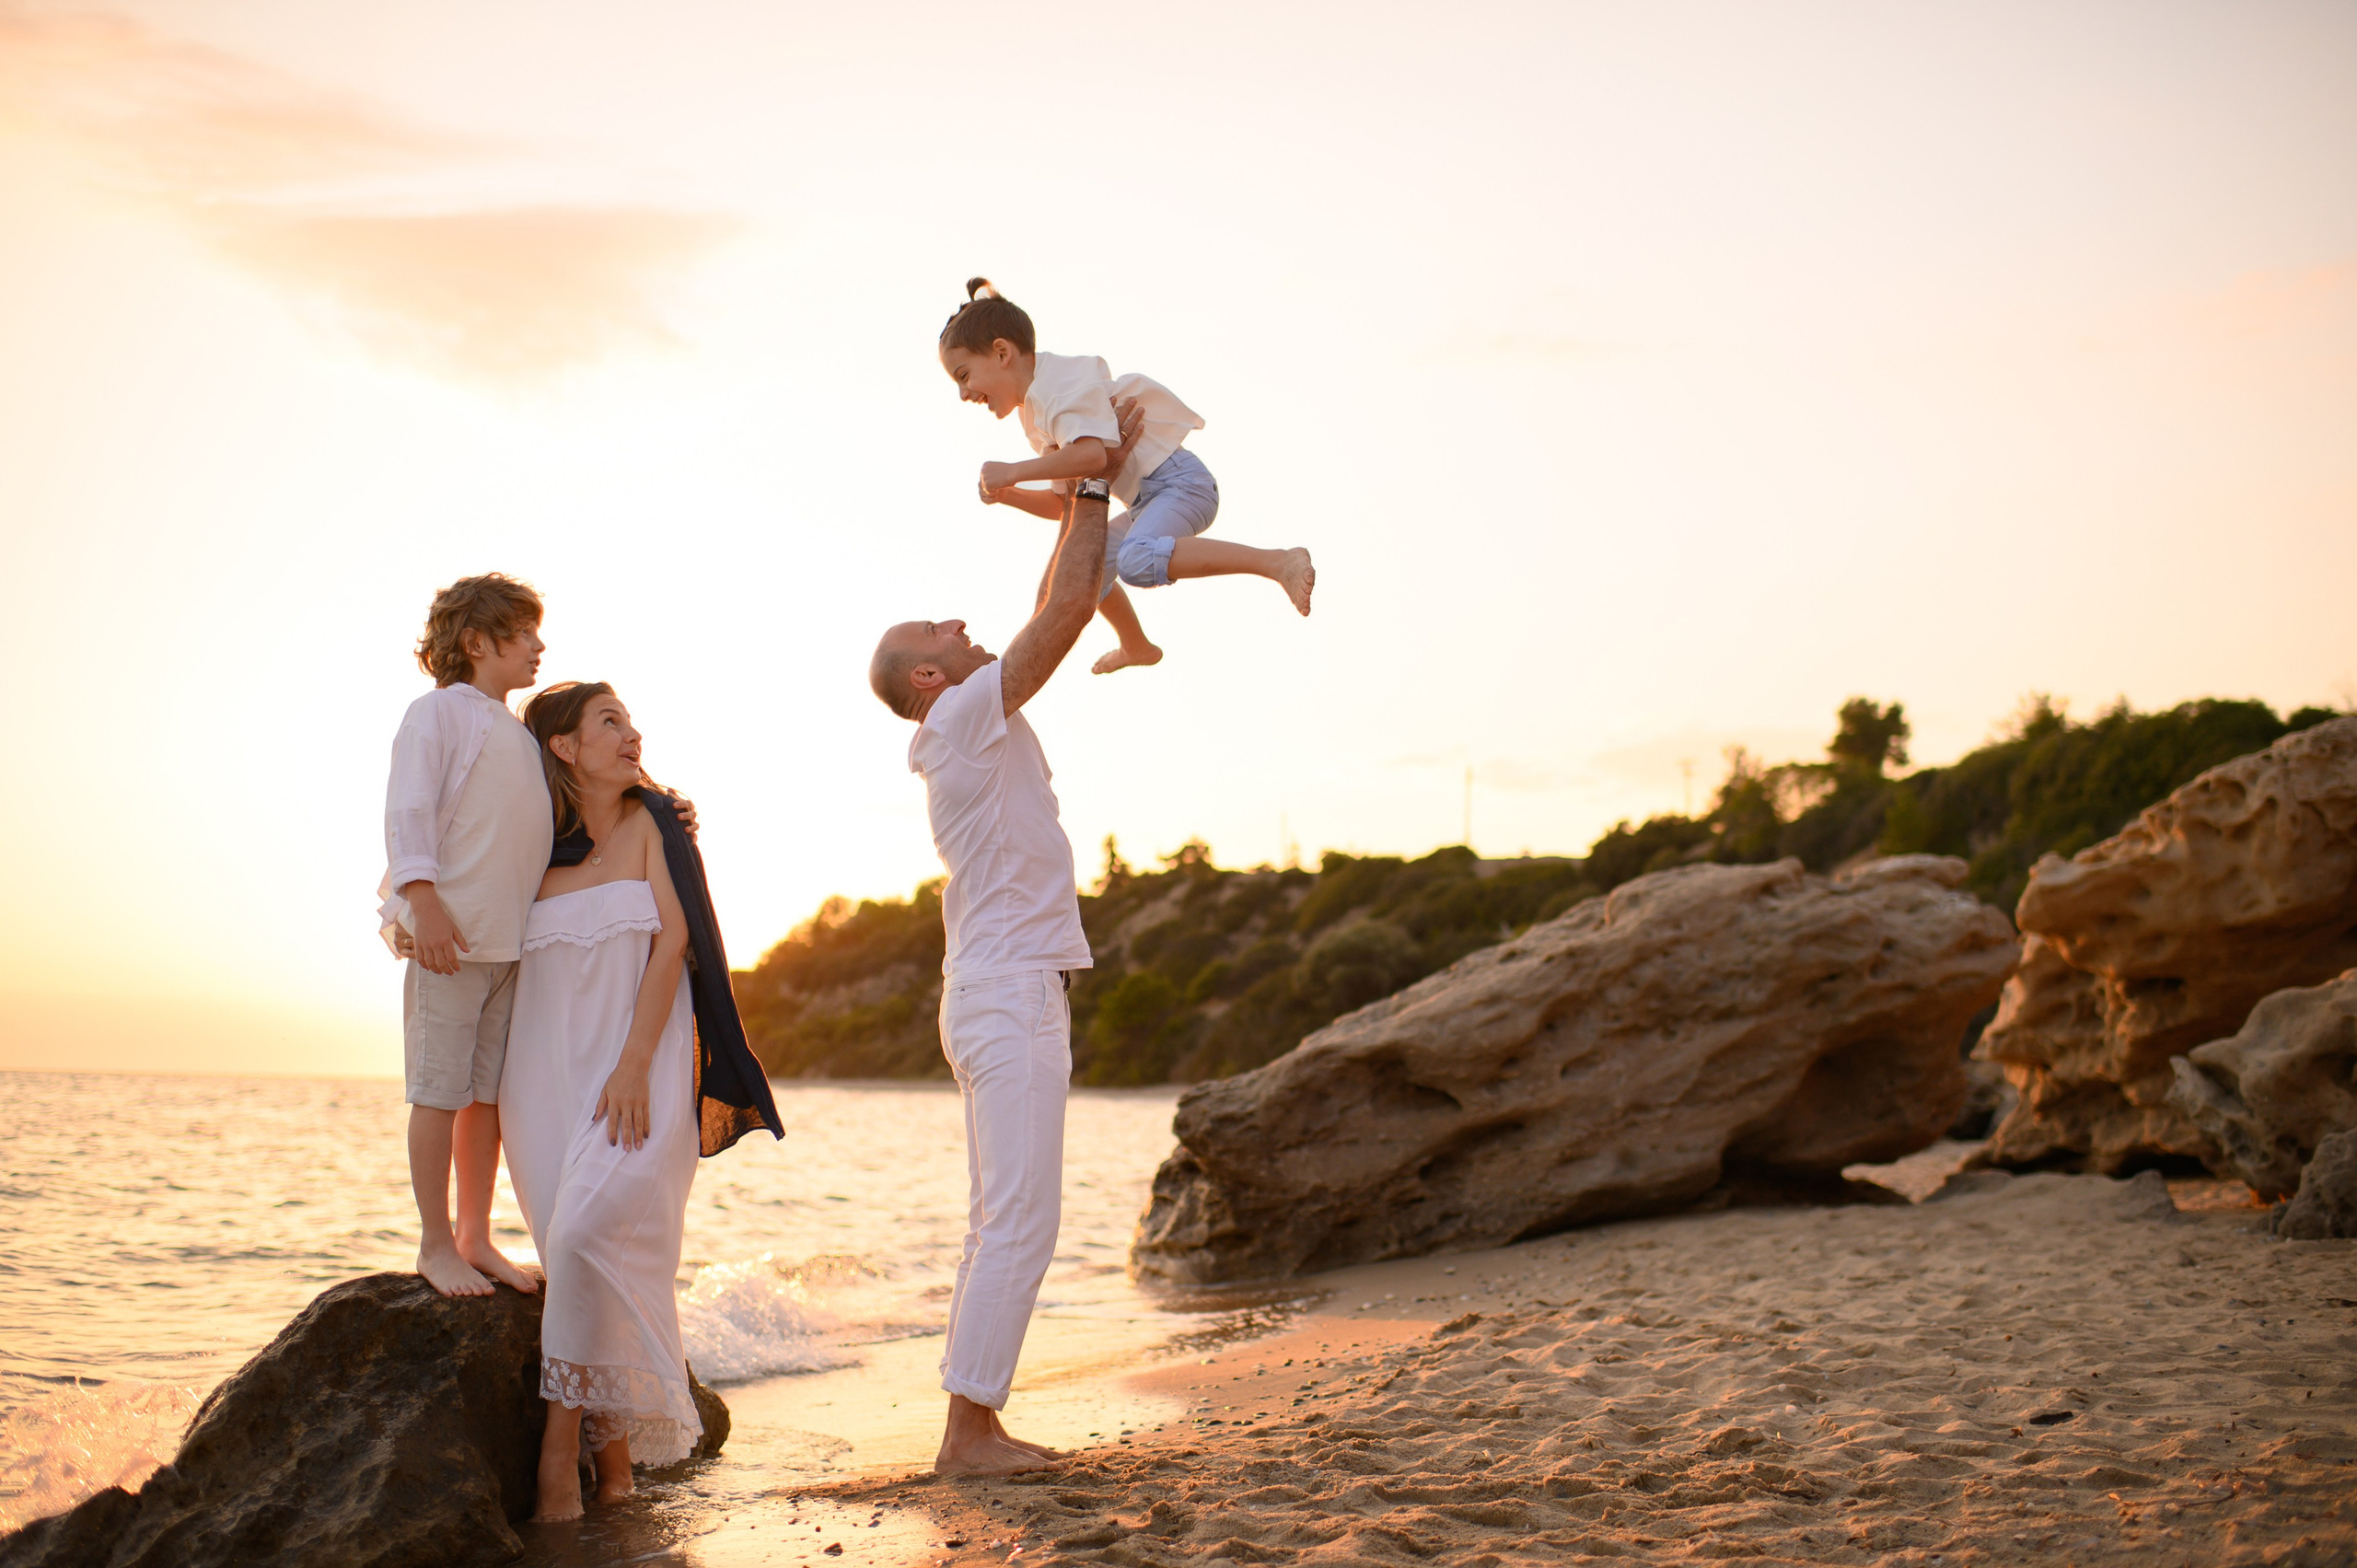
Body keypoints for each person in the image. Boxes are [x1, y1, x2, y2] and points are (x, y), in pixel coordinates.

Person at [865, 422, 1132, 1475]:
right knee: (1019, 1219)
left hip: (996, 988)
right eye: (942, 624)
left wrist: (1077, 488)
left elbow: (1045, 600)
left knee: (1000, 1218)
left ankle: (969, 1426)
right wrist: (1097, 487)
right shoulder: (960, 718)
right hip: (1007, 991)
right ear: (930, 674)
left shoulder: (959, 722)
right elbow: (1064, 613)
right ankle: (968, 1436)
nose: (962, 621)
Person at [499, 681, 782, 1522]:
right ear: (562, 746)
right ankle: (613, 1463)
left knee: (590, 1237)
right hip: (540, 1077)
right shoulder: (526, 846)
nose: (632, 734)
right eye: (609, 721)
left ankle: (560, 1451)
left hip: (640, 1072)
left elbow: (675, 944)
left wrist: (631, 1065)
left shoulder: (655, 823)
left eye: (630, 720)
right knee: (581, 1258)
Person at [940, 277, 1314, 675]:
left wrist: (1014, 470)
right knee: (1084, 565)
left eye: (964, 376)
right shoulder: (1034, 413)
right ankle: (1135, 645)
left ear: (1001, 352)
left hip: (1180, 484)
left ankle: (1277, 562)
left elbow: (1092, 455)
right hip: (1147, 500)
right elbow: (1063, 502)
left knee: (1135, 560)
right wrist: (1009, 493)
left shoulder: (1058, 385)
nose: (964, 394)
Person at [378, 573, 552, 1299]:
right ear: (477, 641)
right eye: (523, 633)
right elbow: (410, 808)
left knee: (486, 1098)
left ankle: (477, 1235)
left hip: (510, 945)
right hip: (450, 940)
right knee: (439, 1091)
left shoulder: (519, 732)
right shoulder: (438, 713)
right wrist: (423, 902)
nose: (539, 646)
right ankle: (435, 1243)